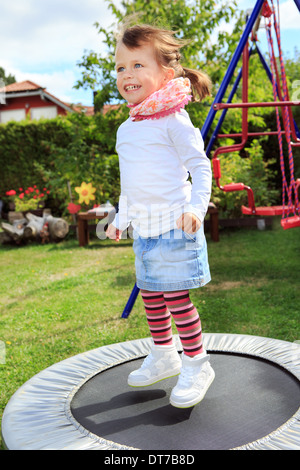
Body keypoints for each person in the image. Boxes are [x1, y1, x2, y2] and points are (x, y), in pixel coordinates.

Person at [106, 22, 214, 408]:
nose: (127, 75)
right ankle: (165, 353)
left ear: (165, 74)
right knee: (151, 295)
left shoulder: (174, 119)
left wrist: (195, 208)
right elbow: (131, 182)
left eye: (137, 65)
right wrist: (122, 216)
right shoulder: (126, 129)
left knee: (175, 297)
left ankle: (197, 362)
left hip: (175, 225)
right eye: (120, 67)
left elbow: (201, 168)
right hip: (146, 232)